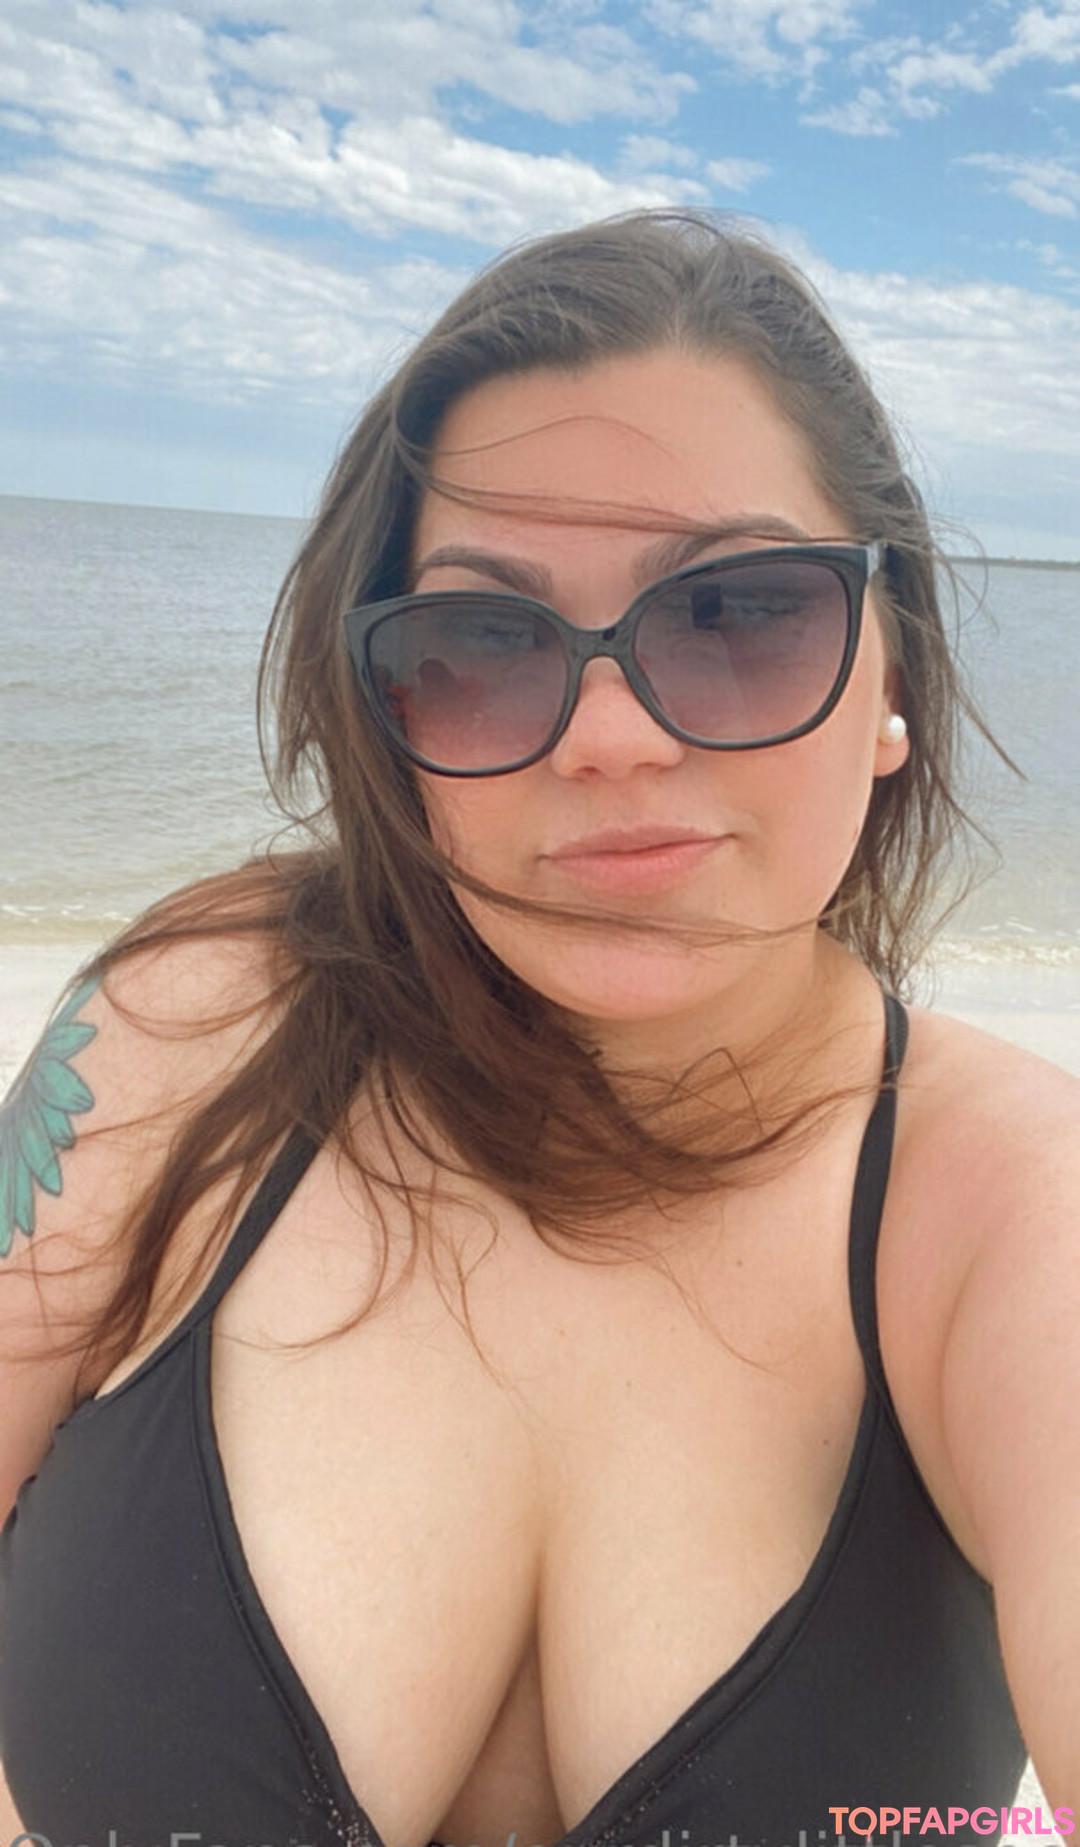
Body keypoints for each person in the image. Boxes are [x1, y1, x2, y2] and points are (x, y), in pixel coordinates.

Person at [0, 209, 1076, 1847]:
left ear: (891, 678)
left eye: (738, 613)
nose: (610, 737)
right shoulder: (191, 1027)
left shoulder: (1010, 1207)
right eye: (484, 641)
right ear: (386, 708)